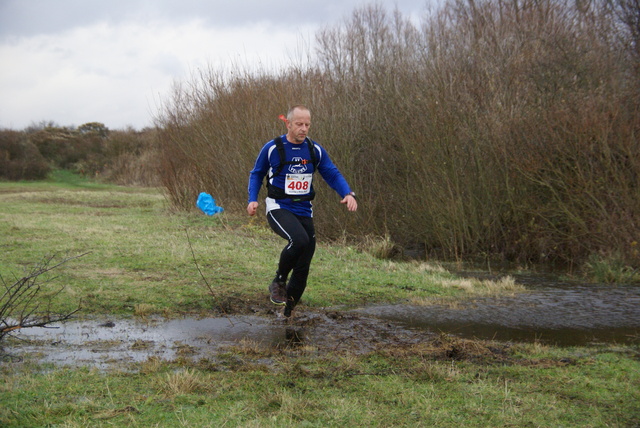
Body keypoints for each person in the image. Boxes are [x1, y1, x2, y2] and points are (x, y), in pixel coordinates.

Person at [247, 105, 358, 317]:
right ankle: (279, 280)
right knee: (299, 240)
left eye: (307, 124)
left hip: (304, 209)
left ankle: (288, 314)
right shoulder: (272, 148)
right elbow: (256, 173)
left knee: (303, 265)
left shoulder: (314, 150)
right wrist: (252, 200)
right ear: (288, 124)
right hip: (278, 207)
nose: (304, 128)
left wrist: (347, 193)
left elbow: (331, 173)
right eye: (299, 124)